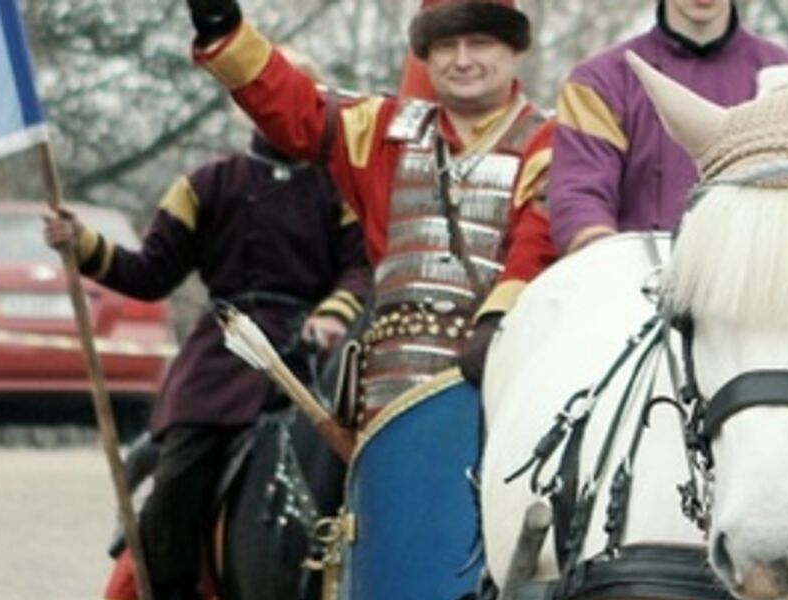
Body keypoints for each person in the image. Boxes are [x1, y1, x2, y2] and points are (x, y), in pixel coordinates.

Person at [43, 52, 371, 600]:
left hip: (314, 356)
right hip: (222, 358)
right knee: (180, 479)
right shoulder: (204, 185)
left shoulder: (341, 188)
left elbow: (362, 266)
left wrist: (333, 314)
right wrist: (82, 244)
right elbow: (149, 274)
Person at [182, 0, 553, 390]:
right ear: (425, 56)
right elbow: (296, 105)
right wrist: (222, 27)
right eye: (445, 46)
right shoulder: (378, 130)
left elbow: (539, 242)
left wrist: (497, 322)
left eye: (479, 43)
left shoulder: (556, 142)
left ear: (514, 49)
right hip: (389, 382)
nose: (462, 60)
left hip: (512, 376)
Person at [548, 0, 788, 257]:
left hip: (756, 281)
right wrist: (610, 264)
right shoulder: (599, 82)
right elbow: (580, 196)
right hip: (635, 286)